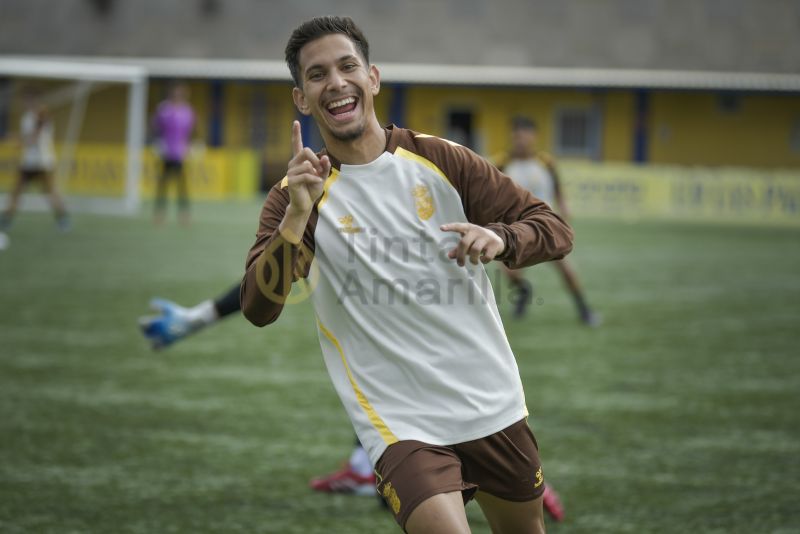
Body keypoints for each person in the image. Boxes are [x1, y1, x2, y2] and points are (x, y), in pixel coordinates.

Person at [240, 16, 573, 533]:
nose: (336, 82)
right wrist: (296, 219)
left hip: (489, 399)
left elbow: (552, 228)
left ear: (373, 77)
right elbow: (259, 308)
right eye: (317, 74)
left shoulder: (441, 159)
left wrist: (503, 239)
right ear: (302, 98)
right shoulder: (295, 194)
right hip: (399, 422)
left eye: (348, 66)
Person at [500, 116, 599, 325]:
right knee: (510, 273)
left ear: (534, 137)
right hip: (517, 229)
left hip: (546, 226)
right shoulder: (502, 163)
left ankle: (584, 310)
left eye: (525, 135)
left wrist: (564, 209)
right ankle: (524, 291)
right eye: (517, 135)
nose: (521, 140)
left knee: (566, 269)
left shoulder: (546, 162)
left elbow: (558, 191)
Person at [0, 87, 70, 231]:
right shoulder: (26, 117)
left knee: (51, 192)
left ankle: (63, 219)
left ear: (35, 100)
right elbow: (29, 138)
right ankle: (6, 220)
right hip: (28, 162)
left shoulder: (42, 114)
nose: (26, 102)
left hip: (43, 162)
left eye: (29, 99)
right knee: (16, 192)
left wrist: (17, 140)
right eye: (25, 100)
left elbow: (34, 137)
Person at [151, 82, 195, 225]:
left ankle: (184, 215)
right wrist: (157, 143)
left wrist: (191, 146)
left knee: (182, 186)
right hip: (166, 152)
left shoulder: (187, 111)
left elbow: (191, 131)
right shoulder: (164, 109)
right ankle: (160, 215)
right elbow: (155, 127)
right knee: (163, 185)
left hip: (180, 153)